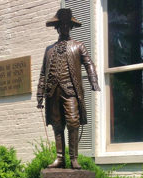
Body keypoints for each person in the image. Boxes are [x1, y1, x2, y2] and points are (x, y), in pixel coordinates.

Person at [37, 8, 100, 169]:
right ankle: (60, 158)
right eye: (61, 25)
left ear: (70, 27)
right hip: (52, 92)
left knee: (73, 122)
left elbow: (88, 63)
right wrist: (40, 94)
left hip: (70, 91)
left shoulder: (78, 45)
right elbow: (43, 73)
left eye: (67, 24)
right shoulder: (49, 49)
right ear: (57, 27)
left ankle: (73, 158)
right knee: (57, 125)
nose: (64, 27)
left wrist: (93, 80)